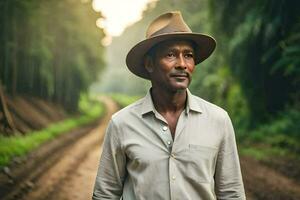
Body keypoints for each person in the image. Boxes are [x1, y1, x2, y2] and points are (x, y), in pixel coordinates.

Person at [93, 11, 246, 200]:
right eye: (171, 54)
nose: (182, 64)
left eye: (188, 55)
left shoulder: (218, 120)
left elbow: (232, 193)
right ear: (150, 64)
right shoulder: (122, 124)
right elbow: (105, 194)